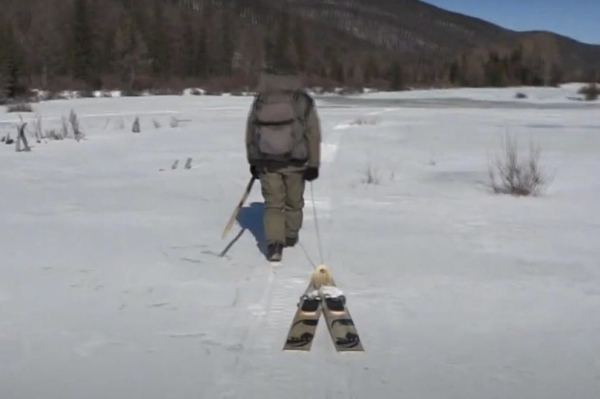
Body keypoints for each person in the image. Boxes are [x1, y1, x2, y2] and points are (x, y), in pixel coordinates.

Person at [245, 67, 321, 262]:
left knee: (273, 204)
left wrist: (253, 159)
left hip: (268, 162)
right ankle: (289, 235)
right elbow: (313, 132)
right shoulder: (302, 100)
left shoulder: (262, 98)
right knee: (294, 202)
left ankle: (274, 245)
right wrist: (314, 163)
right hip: (296, 162)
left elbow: (251, 130)